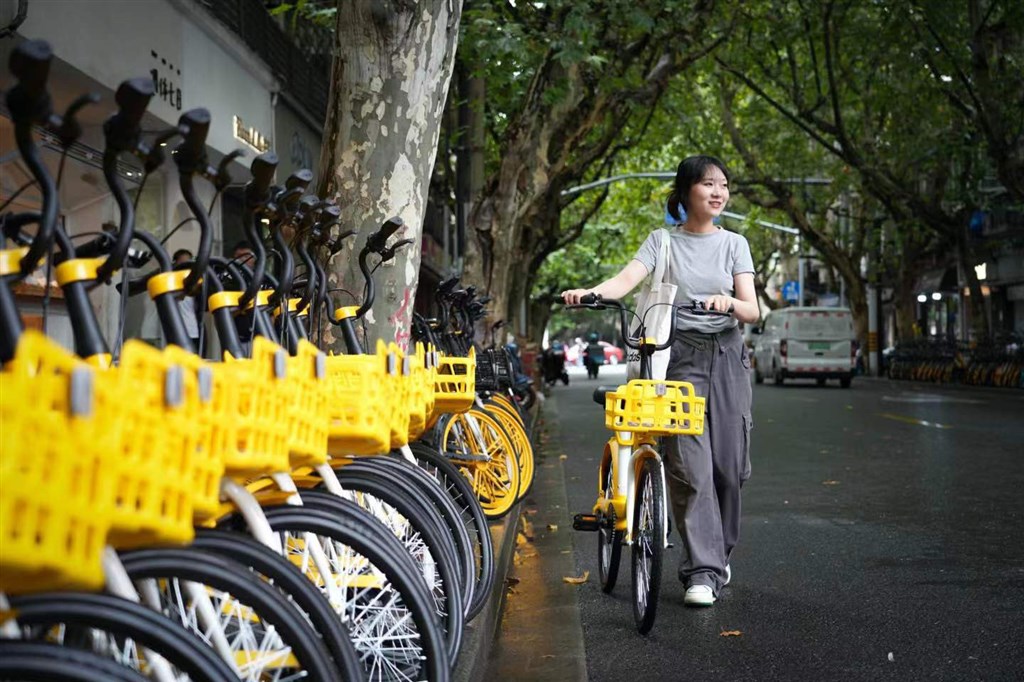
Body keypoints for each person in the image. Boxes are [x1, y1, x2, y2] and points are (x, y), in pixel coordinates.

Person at [562, 155, 759, 607]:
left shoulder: (735, 244)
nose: (718, 192)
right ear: (686, 191)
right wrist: (589, 293)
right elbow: (625, 281)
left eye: (724, 185)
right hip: (678, 359)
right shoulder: (662, 242)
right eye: (708, 184)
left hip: (728, 358)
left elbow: (753, 310)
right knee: (690, 470)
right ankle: (703, 572)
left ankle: (717, 554)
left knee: (729, 470)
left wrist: (726, 302)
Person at [172, 248, 202, 350]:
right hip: (177, 332)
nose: (185, 266)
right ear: (175, 264)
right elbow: (179, 296)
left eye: (188, 263)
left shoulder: (195, 282)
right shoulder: (171, 281)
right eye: (182, 263)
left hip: (194, 331)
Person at [230, 240, 256, 345]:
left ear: (254, 258)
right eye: (238, 256)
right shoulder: (229, 280)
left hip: (259, 337)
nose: (241, 260)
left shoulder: (262, 279)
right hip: (235, 338)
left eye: (245, 256)